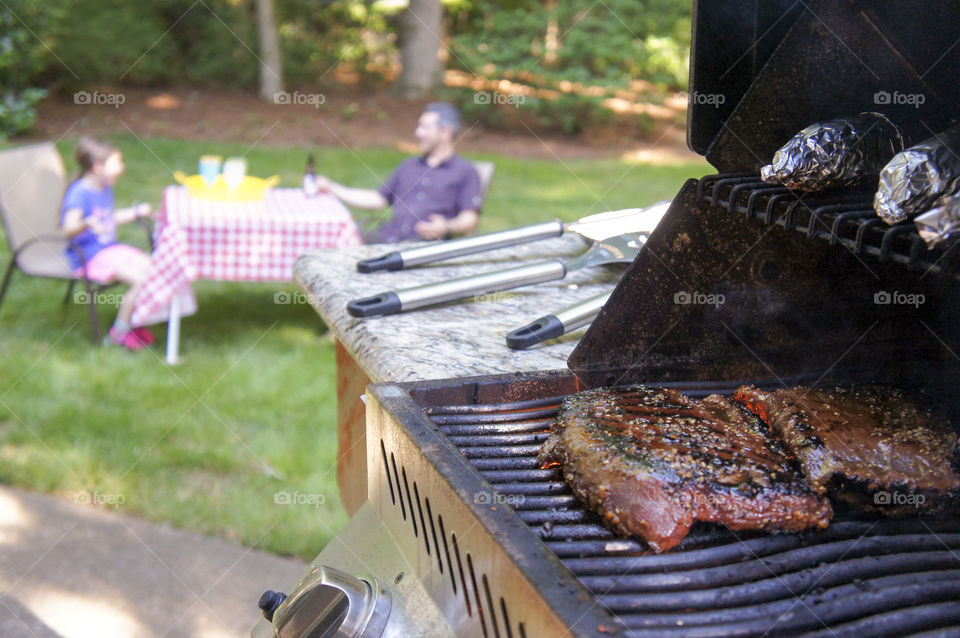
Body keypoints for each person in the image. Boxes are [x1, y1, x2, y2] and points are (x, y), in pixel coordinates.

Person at [316, 102, 483, 242]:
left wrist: (446, 227)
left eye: (425, 128)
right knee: (337, 240)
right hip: (388, 239)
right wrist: (331, 187)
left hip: (424, 249)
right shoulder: (409, 165)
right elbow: (377, 199)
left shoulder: (465, 171)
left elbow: (469, 218)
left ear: (445, 132)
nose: (418, 133)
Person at [60, 136, 155, 350]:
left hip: (108, 251)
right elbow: (67, 229)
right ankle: (118, 334)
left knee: (155, 268)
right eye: (117, 163)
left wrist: (136, 212)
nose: (122, 168)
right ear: (97, 167)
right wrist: (86, 223)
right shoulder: (79, 193)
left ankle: (135, 322)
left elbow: (108, 217)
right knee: (141, 281)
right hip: (89, 257)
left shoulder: (103, 187)